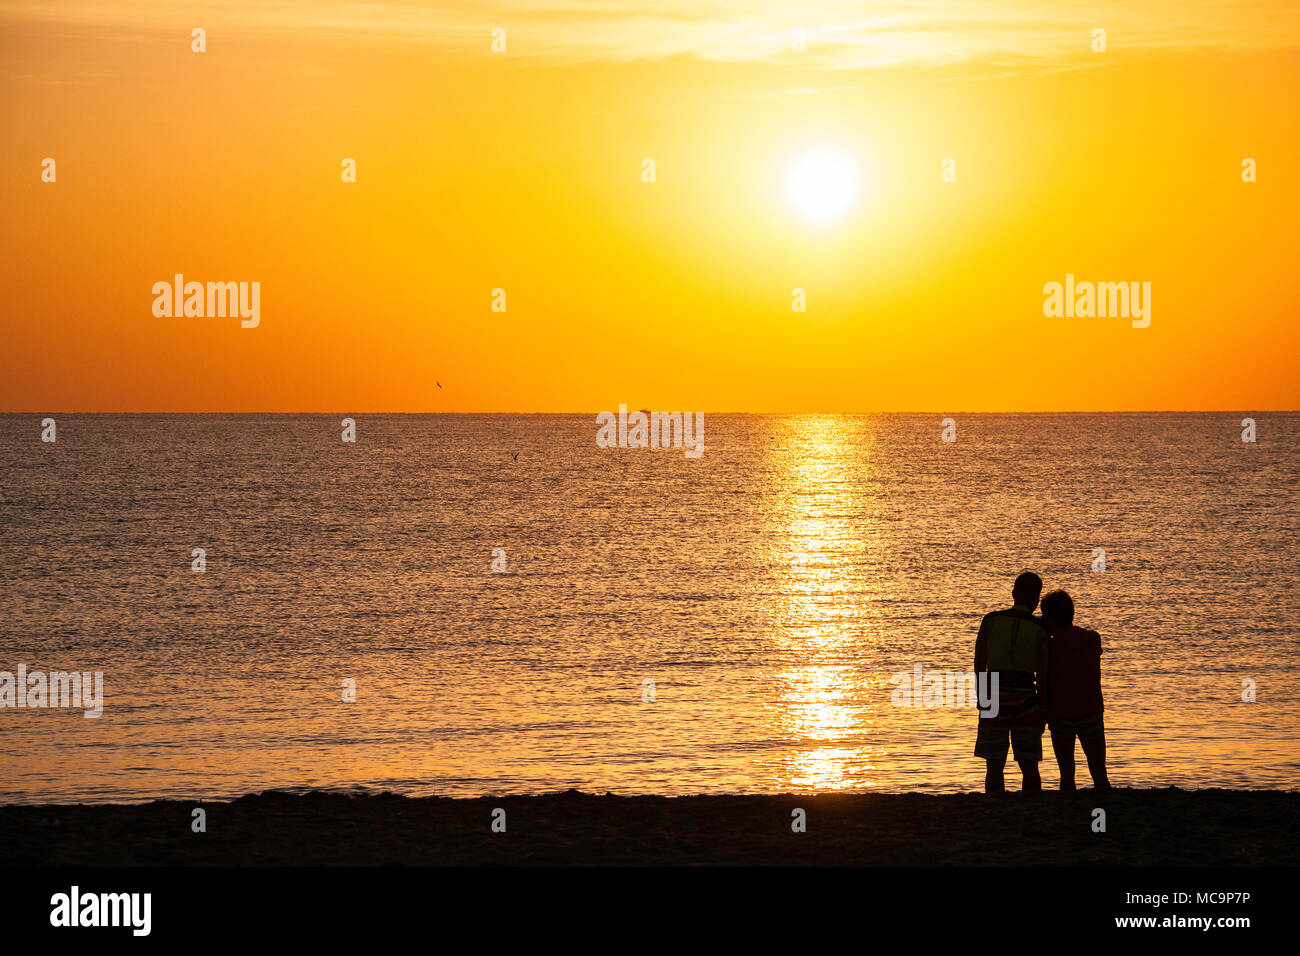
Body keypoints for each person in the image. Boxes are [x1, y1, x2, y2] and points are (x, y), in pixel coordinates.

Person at [973, 571, 1050, 793]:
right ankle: (1031, 805)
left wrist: (982, 696)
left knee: (994, 763)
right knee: (1029, 763)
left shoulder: (990, 621)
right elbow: (1043, 673)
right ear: (1036, 600)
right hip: (1025, 693)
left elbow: (979, 663)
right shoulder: (1040, 629)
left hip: (993, 693)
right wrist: (1043, 706)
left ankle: (995, 803)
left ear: (1013, 593)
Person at [1040, 589, 1110, 791]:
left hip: (1060, 714)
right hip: (1091, 711)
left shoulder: (1049, 646)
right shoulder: (1092, 638)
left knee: (1067, 773)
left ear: (1048, 619)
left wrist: (1043, 709)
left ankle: (1067, 810)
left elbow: (1044, 680)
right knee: (1099, 772)